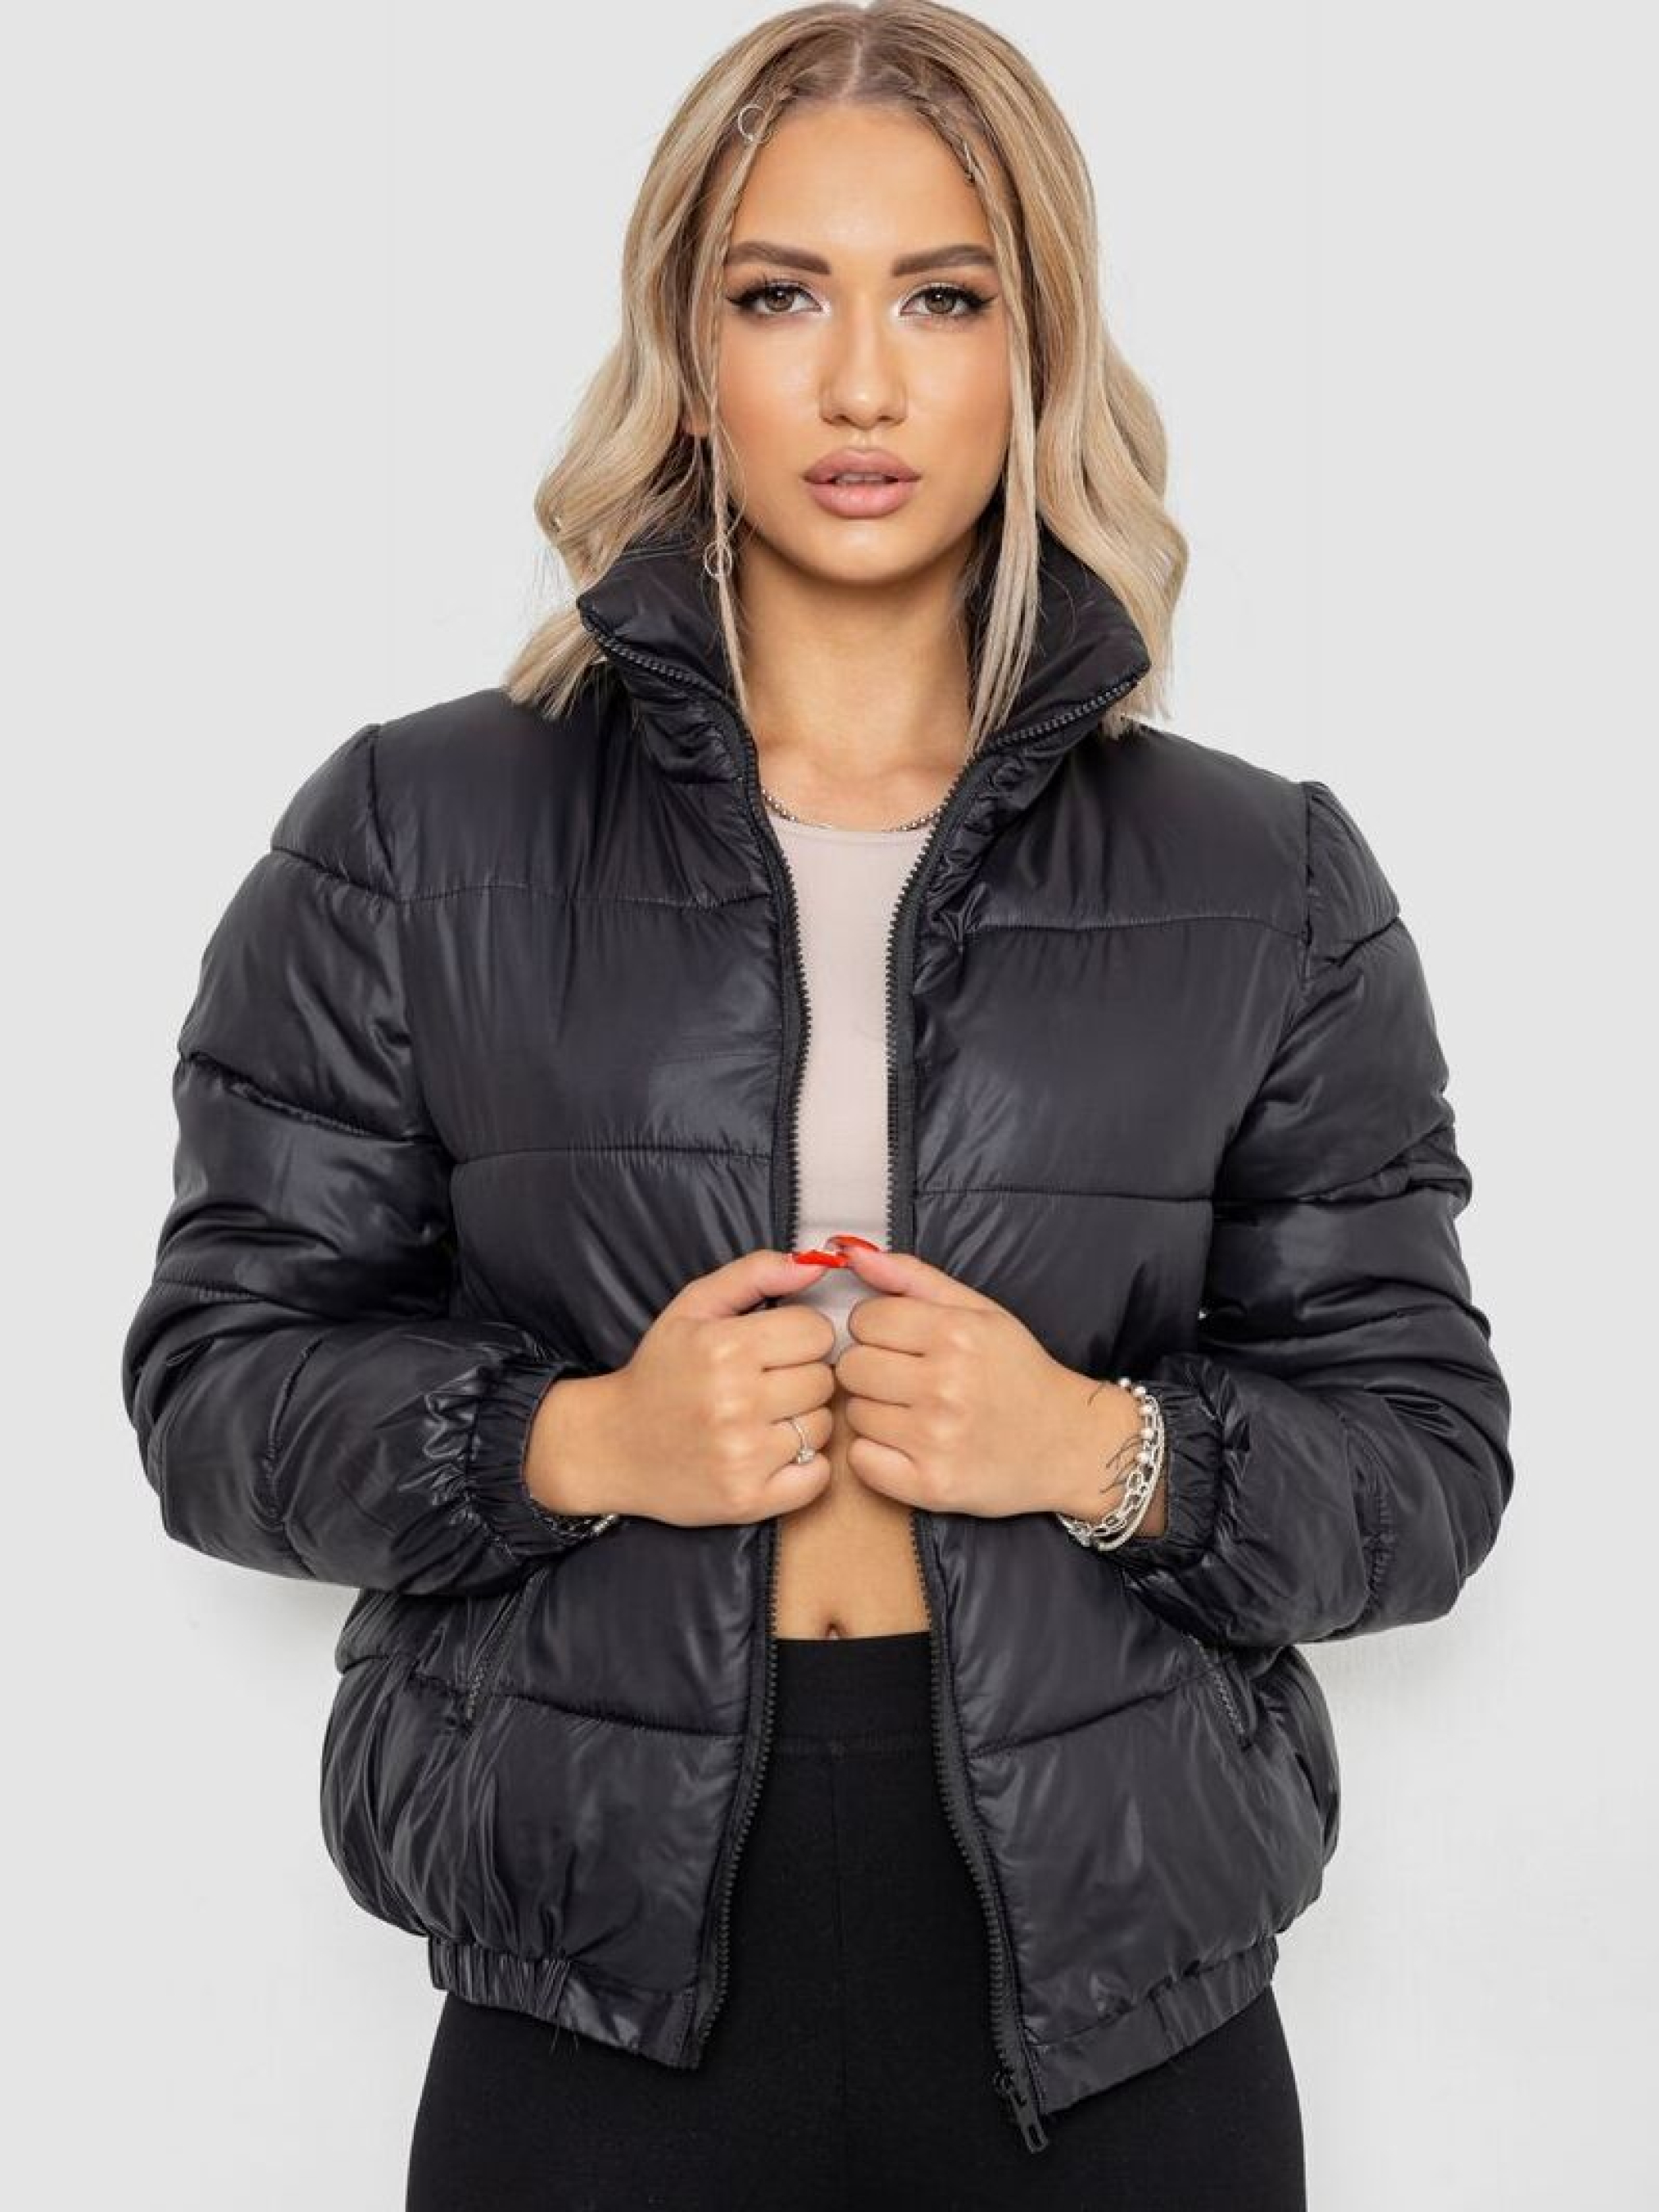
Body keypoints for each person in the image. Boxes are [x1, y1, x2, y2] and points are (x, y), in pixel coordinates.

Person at [119, 4, 1514, 2206]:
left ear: (1033, 350)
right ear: (690, 350)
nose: (863, 383)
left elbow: (1424, 1459)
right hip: (591, 1972)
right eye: (783, 295)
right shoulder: (412, 833)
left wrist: (1099, 1450)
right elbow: (218, 1389)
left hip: (1115, 1981)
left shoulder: (1263, 877)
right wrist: (579, 1443)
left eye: (941, 298)